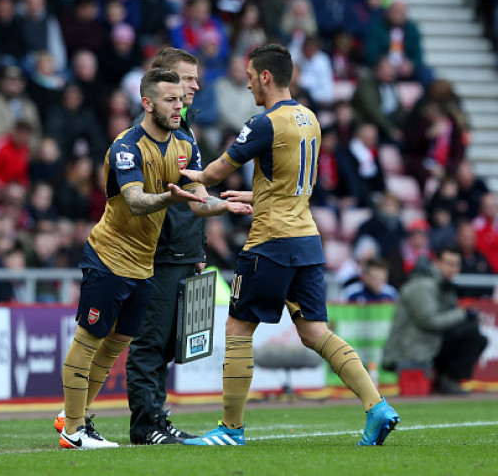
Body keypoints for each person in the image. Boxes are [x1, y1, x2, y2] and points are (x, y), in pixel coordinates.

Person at [178, 43, 400, 447]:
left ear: (266, 76)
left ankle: (230, 430)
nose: (247, 87)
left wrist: (178, 177)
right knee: (315, 331)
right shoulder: (310, 118)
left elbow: (215, 171)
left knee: (239, 328)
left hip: (270, 243)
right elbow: (292, 185)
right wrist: (250, 197)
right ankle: (376, 405)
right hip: (306, 239)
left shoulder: (265, 122)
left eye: (249, 79)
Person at [53, 68, 252, 450]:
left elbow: (197, 201)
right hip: (109, 256)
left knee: (115, 345)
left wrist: (227, 205)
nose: (179, 107)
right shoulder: (126, 145)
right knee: (90, 338)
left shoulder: (184, 144)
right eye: (170, 100)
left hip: (144, 264)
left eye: (181, 99)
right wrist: (171, 197)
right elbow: (136, 200)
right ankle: (74, 430)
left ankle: (75, 419)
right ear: (147, 103)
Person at [125, 48, 205, 445]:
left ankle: (158, 417)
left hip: (184, 251)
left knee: (167, 345)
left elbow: (194, 193)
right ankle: (146, 424)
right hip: (158, 252)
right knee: (150, 342)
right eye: (188, 78)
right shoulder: (146, 138)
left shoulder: (186, 131)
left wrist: (199, 249)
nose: (194, 86)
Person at [382, 247, 489, 394]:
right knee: (469, 331)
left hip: (429, 343)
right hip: (411, 348)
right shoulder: (423, 285)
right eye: (449, 263)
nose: (453, 268)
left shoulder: (442, 284)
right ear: (437, 263)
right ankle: (447, 380)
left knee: (478, 336)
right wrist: (462, 314)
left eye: (456, 264)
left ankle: (447, 380)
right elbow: (429, 321)